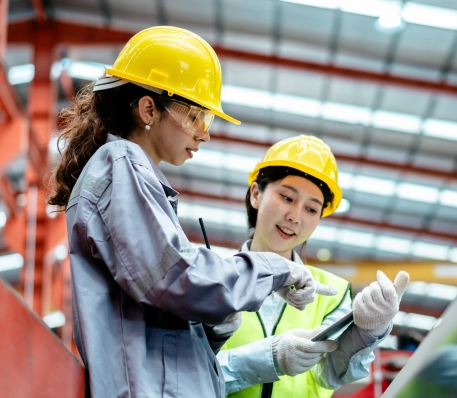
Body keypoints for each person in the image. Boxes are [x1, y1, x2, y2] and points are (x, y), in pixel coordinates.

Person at [47, 27, 337, 398]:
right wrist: (275, 269)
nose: (204, 134)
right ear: (149, 108)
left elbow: (163, 315)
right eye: (196, 116)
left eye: (208, 120)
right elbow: (175, 275)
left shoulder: (135, 177)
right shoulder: (122, 164)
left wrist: (211, 327)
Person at [215, 135, 410, 398]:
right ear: (256, 194)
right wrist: (267, 358)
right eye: (286, 197)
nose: (295, 216)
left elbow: (331, 373)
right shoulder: (211, 276)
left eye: (311, 209)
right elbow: (185, 371)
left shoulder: (334, 292)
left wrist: (369, 331)